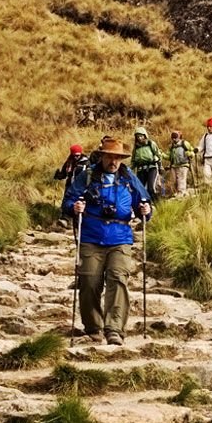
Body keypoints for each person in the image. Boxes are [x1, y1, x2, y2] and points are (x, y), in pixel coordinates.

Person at [62, 138, 152, 346]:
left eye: (118, 157)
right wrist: (73, 207)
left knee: (118, 279)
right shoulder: (87, 176)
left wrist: (146, 212)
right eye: (110, 156)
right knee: (89, 282)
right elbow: (67, 201)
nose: (114, 161)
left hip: (120, 237)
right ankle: (94, 328)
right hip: (91, 236)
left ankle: (115, 330)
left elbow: (144, 204)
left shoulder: (129, 178)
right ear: (102, 156)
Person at [54, 145, 90, 227]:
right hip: (70, 185)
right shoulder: (69, 162)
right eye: (74, 155)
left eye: (78, 155)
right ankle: (65, 220)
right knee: (66, 202)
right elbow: (64, 174)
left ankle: (79, 222)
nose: (76, 157)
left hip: (81, 187)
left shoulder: (86, 162)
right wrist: (58, 175)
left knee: (78, 204)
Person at [131, 128, 162, 202]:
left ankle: (158, 205)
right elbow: (133, 160)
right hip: (141, 169)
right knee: (140, 188)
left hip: (152, 168)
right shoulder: (136, 147)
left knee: (151, 188)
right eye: (138, 136)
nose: (139, 138)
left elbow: (158, 154)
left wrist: (160, 165)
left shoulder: (150, 143)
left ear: (145, 136)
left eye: (141, 136)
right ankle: (146, 204)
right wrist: (129, 169)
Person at [166, 131, 194, 197]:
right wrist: (161, 154)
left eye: (175, 138)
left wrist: (190, 154)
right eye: (172, 138)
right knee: (174, 180)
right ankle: (175, 193)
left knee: (181, 179)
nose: (174, 139)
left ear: (179, 137)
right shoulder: (171, 146)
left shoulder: (185, 143)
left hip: (183, 165)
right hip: (174, 165)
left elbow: (192, 151)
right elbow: (169, 157)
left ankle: (181, 193)